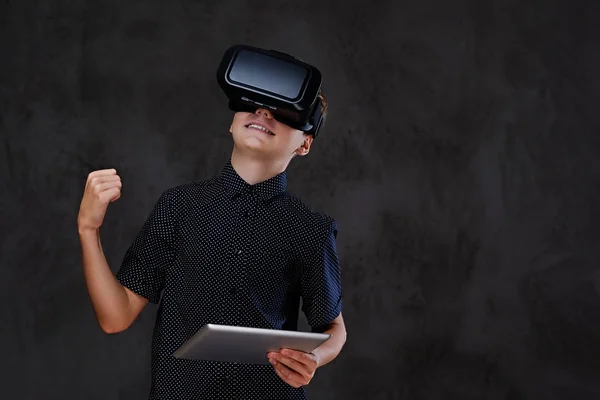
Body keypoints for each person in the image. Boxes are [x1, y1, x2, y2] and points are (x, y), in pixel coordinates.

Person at [77, 89, 347, 399]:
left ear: (304, 143)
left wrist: (314, 358)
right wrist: (89, 228)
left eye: (286, 112)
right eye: (253, 103)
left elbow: (333, 328)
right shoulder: (178, 206)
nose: (264, 113)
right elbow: (116, 316)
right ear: (232, 122)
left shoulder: (312, 229)